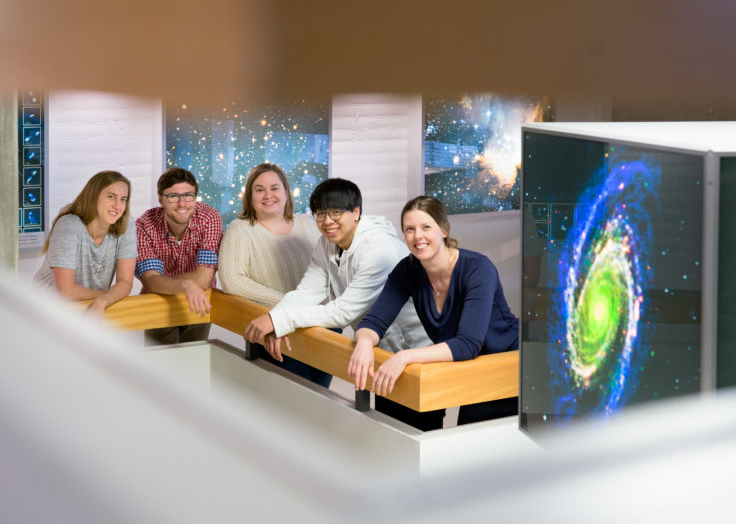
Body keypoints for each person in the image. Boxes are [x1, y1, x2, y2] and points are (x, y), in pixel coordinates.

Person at [351, 195, 519, 429]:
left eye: (426, 227)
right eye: (409, 229)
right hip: (461, 361)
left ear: (444, 230)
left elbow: (468, 343)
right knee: (399, 400)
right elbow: (374, 321)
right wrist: (364, 342)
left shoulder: (478, 268)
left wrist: (405, 356)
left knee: (470, 433)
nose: (417, 236)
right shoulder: (407, 269)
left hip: (505, 361)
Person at [243, 178, 430, 383]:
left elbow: (343, 312)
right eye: (321, 214)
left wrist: (278, 321)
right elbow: (307, 291)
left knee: (415, 414)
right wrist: (276, 318)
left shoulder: (379, 248)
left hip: (418, 348)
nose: (327, 221)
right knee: (387, 412)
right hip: (381, 349)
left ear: (356, 212)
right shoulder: (326, 243)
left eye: (336, 212)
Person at [218, 163, 327, 385]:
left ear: (286, 192)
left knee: (320, 396)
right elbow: (232, 282)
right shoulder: (240, 229)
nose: (268, 195)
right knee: (292, 400)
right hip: (275, 328)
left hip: (320, 325)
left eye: (275, 188)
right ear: (250, 196)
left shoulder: (308, 224)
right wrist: (286, 308)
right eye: (259, 189)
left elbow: (330, 271)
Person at [135, 167, 223, 345]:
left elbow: (204, 279)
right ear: (161, 199)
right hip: (159, 303)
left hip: (199, 303)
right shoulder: (145, 224)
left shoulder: (210, 218)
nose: (182, 203)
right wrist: (185, 283)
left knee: (192, 363)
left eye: (188, 195)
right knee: (158, 365)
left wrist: (166, 283)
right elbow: (150, 282)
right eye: (173, 196)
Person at [33, 170, 136, 316]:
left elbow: (125, 282)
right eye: (111, 197)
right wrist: (110, 294)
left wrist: (104, 300)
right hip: (45, 309)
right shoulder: (68, 226)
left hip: (89, 305)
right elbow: (66, 291)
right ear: (93, 196)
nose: (117, 206)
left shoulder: (127, 224)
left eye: (123, 199)